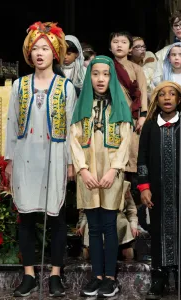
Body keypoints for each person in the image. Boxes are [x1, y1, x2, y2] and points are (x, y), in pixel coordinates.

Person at [5, 21, 76, 297]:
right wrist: (9, 160)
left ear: (54, 52)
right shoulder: (19, 85)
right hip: (25, 157)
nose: (40, 53)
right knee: (26, 217)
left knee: (56, 217)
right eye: (35, 48)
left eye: (45, 48)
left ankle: (56, 274)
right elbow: (11, 123)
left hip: (55, 155)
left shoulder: (66, 87)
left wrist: (70, 162)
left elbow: (71, 128)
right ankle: (29, 274)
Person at [70, 55, 133, 297]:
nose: (100, 79)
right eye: (95, 74)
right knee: (93, 228)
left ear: (111, 77)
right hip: (88, 174)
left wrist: (113, 170)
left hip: (110, 173)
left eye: (105, 74)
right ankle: (96, 276)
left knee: (109, 226)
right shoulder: (82, 106)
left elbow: (125, 141)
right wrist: (83, 170)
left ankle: (110, 278)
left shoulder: (118, 105)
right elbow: (74, 140)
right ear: (89, 77)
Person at [137, 81, 181, 299]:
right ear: (156, 99)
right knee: (158, 233)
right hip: (156, 192)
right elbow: (142, 159)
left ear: (179, 98)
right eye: (162, 94)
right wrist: (144, 187)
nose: (167, 98)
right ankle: (159, 278)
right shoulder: (149, 127)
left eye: (172, 94)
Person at [109, 31, 148, 207]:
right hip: (110, 120)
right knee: (112, 162)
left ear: (130, 48)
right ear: (110, 46)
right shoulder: (106, 67)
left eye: (123, 42)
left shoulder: (136, 69)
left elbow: (143, 94)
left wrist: (143, 116)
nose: (119, 45)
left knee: (132, 163)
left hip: (132, 121)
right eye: (115, 42)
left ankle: (134, 214)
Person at [77, 181, 139, 260]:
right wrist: (81, 225)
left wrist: (133, 225)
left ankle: (122, 251)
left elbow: (131, 210)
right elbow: (86, 210)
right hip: (95, 222)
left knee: (127, 252)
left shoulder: (123, 185)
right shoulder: (90, 184)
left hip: (118, 225)